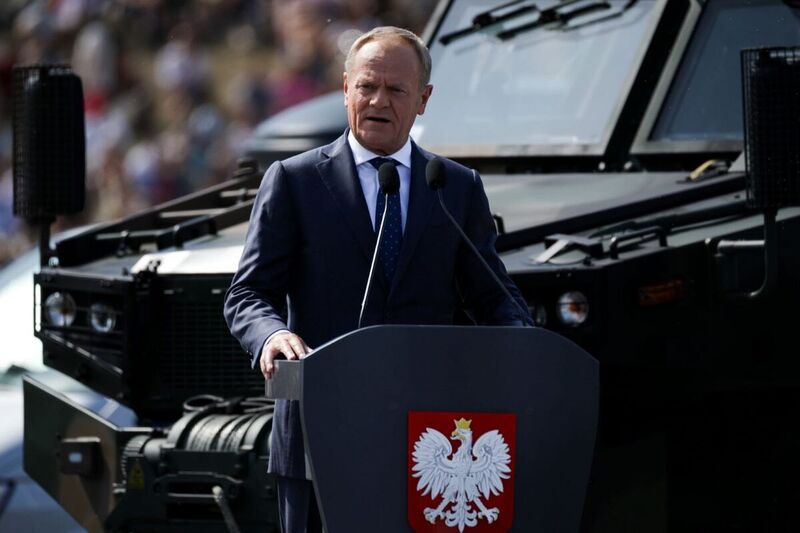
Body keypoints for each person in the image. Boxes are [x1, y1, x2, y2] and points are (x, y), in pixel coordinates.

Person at [224, 26, 532, 533]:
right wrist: (272, 335)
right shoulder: (295, 181)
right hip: (320, 429)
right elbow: (248, 293)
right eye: (367, 86)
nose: (377, 100)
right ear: (345, 88)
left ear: (423, 100)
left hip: (427, 437)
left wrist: (524, 340)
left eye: (395, 90)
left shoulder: (454, 187)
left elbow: (492, 295)